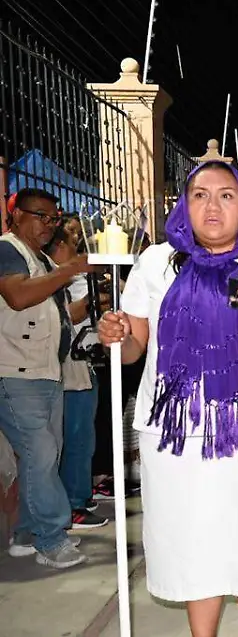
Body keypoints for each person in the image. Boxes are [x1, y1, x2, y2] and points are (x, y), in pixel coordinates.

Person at [97, 161, 238, 635]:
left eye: (226, 195)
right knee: (195, 537)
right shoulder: (156, 263)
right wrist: (116, 337)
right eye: (200, 195)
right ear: (184, 204)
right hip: (177, 438)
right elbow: (136, 347)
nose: (212, 206)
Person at [0, 187, 89, 569]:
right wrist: (70, 271)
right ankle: (52, 539)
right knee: (41, 453)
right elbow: (17, 297)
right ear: (17, 214)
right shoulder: (7, 249)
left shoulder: (38, 258)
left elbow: (58, 314)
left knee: (42, 456)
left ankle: (26, 534)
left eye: (53, 219)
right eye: (42, 216)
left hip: (45, 372)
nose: (49, 226)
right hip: (15, 372)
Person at [43, 224, 109, 529]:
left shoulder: (69, 277)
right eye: (71, 245)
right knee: (76, 436)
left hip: (85, 365)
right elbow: (65, 318)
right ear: (58, 248)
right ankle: (73, 503)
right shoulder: (51, 279)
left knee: (85, 436)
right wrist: (90, 304)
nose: (78, 252)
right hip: (69, 368)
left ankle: (80, 495)